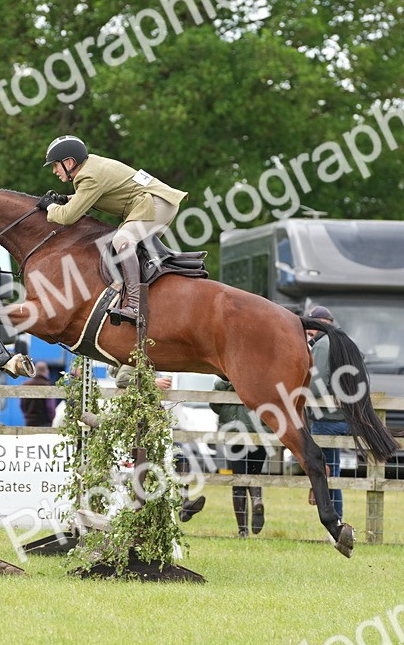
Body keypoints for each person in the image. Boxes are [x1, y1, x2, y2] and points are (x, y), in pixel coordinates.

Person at [37, 136, 187, 325]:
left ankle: (134, 306)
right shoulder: (92, 166)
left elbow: (68, 217)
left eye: (55, 165)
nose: (54, 171)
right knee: (130, 252)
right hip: (159, 201)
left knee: (122, 240)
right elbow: (92, 195)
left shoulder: (88, 176)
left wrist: (50, 207)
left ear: (69, 162)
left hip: (155, 203)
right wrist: (66, 198)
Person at [114, 364, 204, 522]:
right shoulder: (132, 361)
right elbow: (120, 380)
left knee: (181, 457)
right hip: (139, 428)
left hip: (158, 427)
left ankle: (184, 503)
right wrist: (153, 382)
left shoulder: (153, 364)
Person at [210, 378, 267, 537]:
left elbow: (215, 405)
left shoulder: (226, 381)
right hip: (260, 432)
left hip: (235, 432)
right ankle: (257, 499)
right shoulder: (262, 375)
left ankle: (243, 530)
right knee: (254, 474)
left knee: (238, 479)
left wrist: (224, 383)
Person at [305, 304, 346, 519]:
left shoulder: (323, 345)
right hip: (345, 416)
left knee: (328, 473)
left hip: (326, 417)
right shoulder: (343, 341)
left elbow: (315, 385)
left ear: (321, 324)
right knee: (333, 472)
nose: (308, 333)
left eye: (311, 328)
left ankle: (336, 522)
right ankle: (337, 520)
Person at [19, 361, 56, 427]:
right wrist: (51, 419)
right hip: (44, 423)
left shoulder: (26, 385)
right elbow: (50, 407)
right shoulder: (47, 386)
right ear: (46, 371)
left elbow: (22, 405)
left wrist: (27, 416)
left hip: (29, 422)